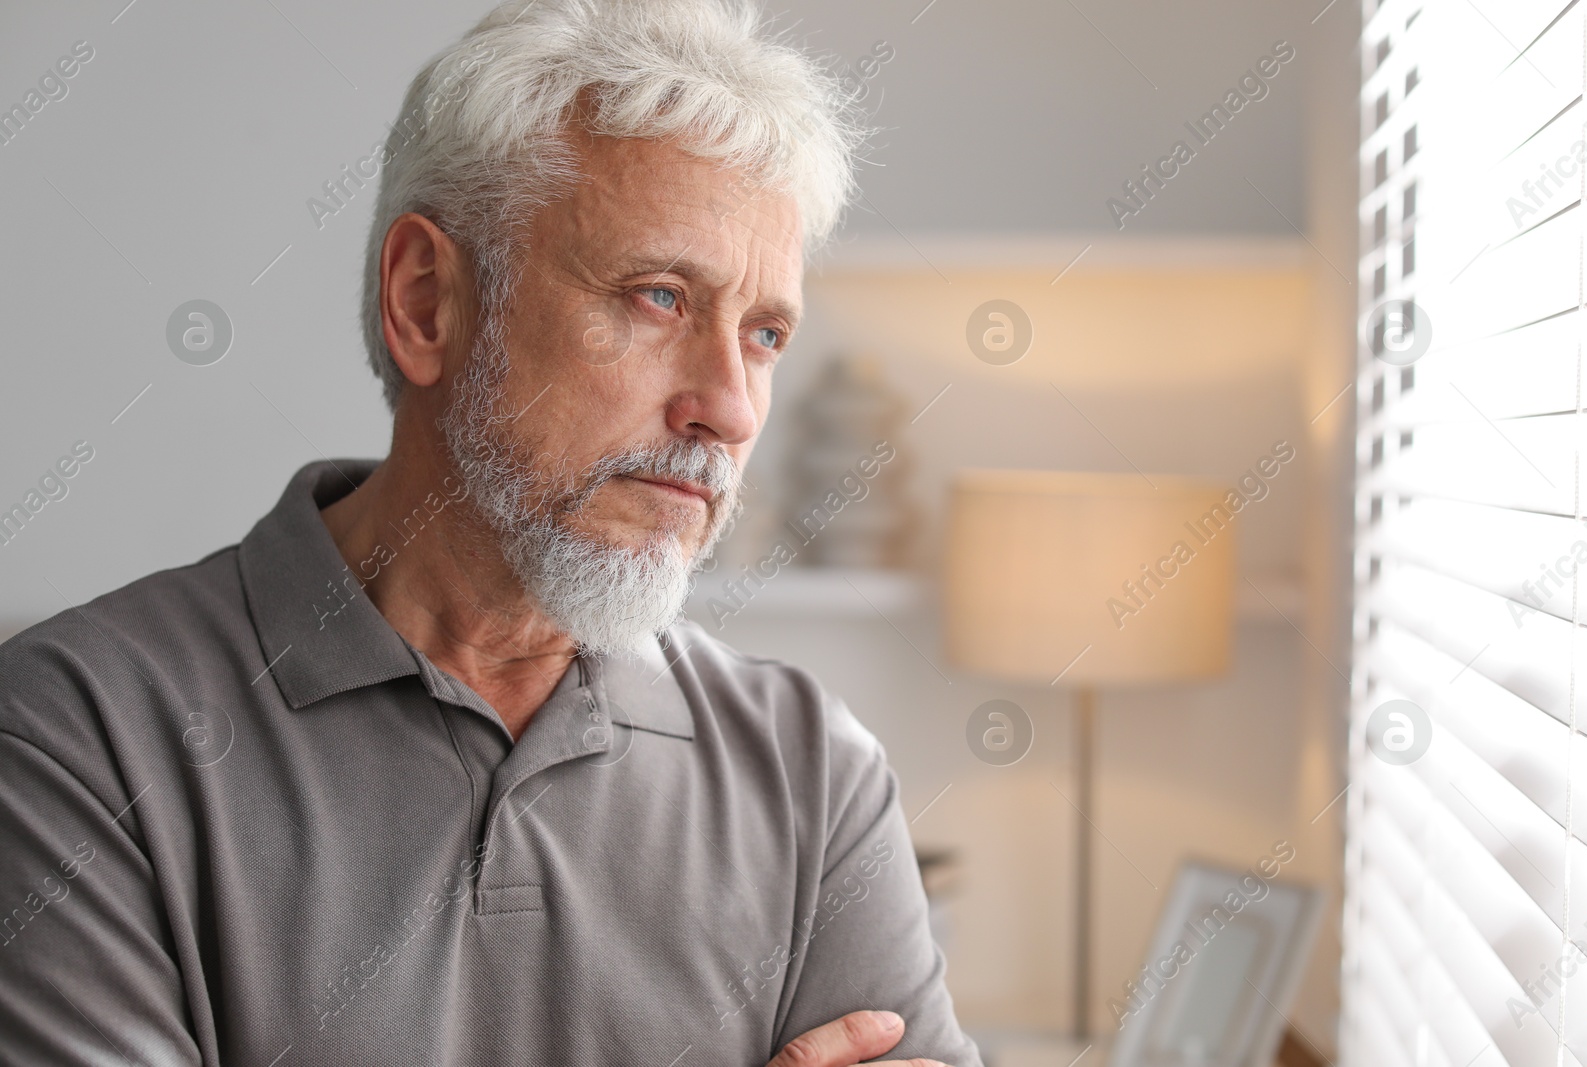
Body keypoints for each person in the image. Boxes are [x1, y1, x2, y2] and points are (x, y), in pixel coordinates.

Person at [0, 1, 979, 1064]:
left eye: (764, 333)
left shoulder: (813, 771)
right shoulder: (73, 737)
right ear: (426, 302)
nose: (730, 409)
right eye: (657, 296)